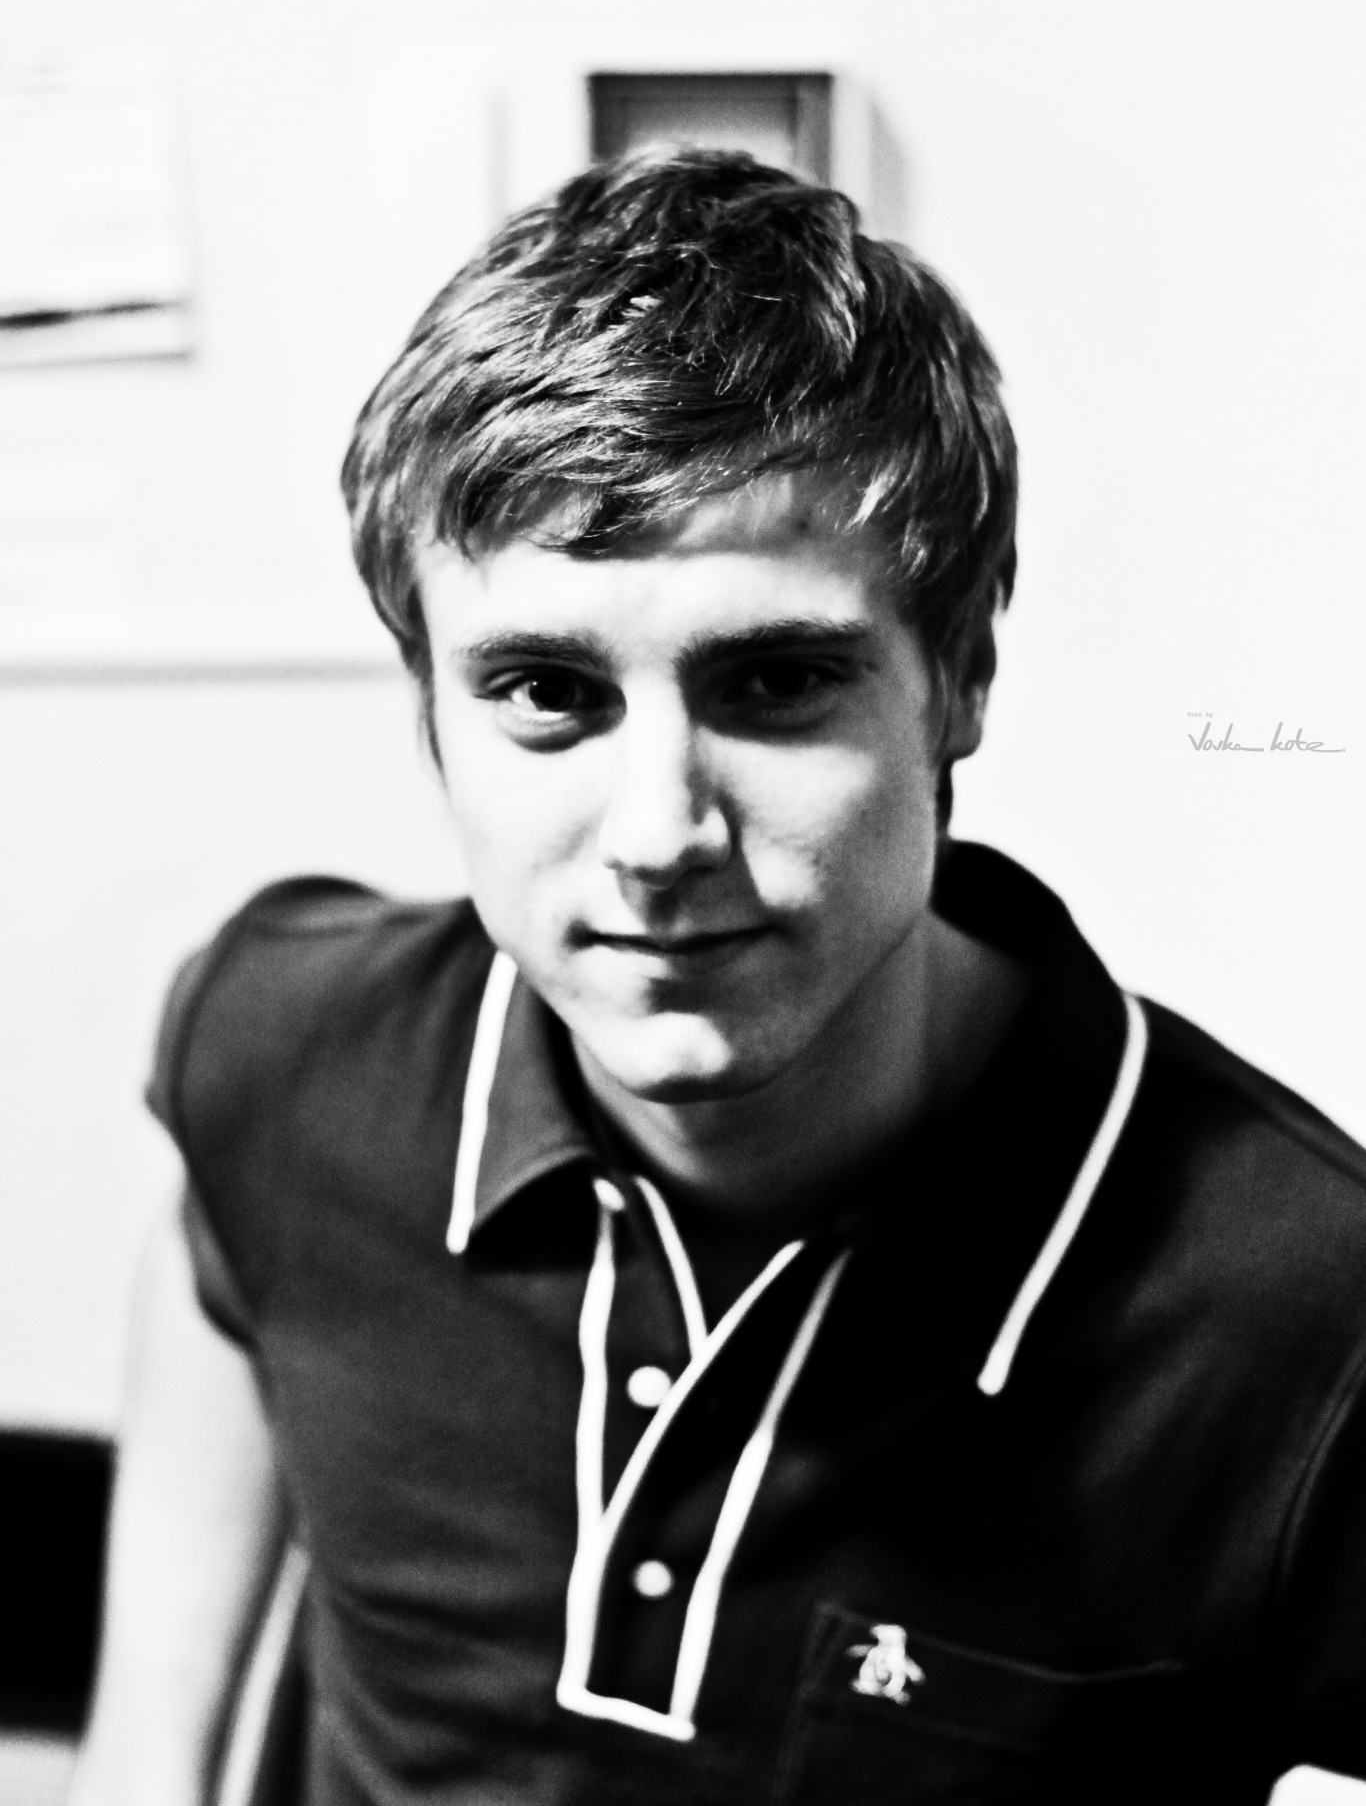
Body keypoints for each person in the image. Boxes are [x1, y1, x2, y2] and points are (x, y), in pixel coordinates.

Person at [74, 150, 1366, 1806]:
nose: (656, 833)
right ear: (429, 709)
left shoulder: (1298, 1312)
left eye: (772, 682)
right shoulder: (287, 1037)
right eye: (546, 692)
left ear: (957, 678)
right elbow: (224, 1245)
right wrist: (146, 1754)